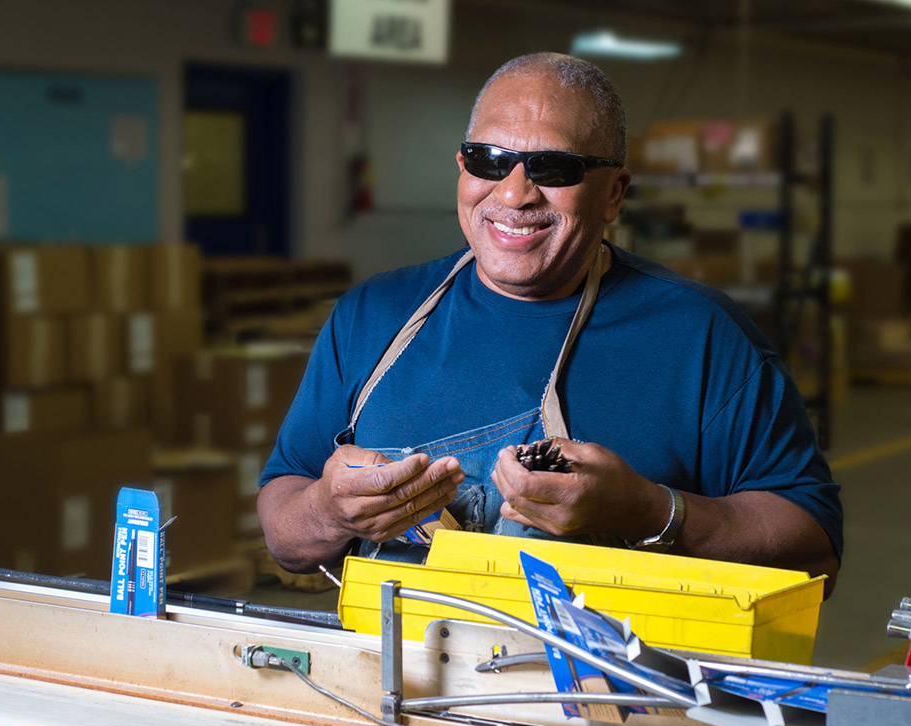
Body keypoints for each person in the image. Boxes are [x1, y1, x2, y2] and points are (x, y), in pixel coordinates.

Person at [258, 52, 842, 597]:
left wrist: (648, 513)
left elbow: (815, 552)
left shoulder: (704, 338)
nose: (514, 193)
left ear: (614, 193)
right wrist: (327, 512)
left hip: (607, 700)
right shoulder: (372, 316)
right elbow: (285, 531)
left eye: (553, 168)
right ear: (463, 168)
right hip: (396, 690)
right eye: (490, 160)